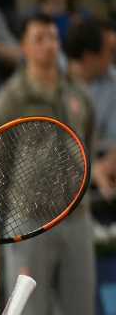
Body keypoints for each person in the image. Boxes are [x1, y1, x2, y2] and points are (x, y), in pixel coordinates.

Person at [0, 14, 96, 315]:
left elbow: (86, 145)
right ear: (24, 47)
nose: (49, 46)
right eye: (39, 39)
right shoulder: (10, 99)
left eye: (53, 38)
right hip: (28, 224)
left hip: (77, 219)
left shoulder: (78, 94)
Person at [65, 18, 116, 199]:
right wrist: (92, 171)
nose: (112, 58)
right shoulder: (55, 82)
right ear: (89, 57)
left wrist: (103, 166)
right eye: (108, 52)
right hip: (64, 172)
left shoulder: (113, 81)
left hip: (105, 166)